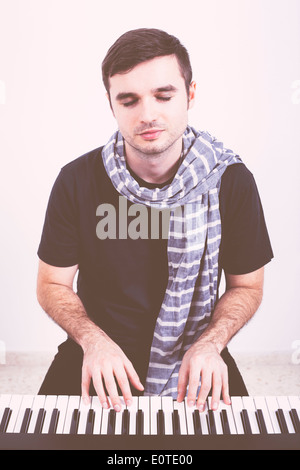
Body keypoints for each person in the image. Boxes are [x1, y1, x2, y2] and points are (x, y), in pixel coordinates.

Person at [37, 28, 273, 414]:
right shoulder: (76, 179)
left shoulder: (230, 180)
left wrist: (211, 344)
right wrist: (92, 341)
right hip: (95, 353)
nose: (147, 115)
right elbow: (51, 283)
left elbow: (247, 286)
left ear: (190, 95)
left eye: (164, 96)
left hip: (198, 356)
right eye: (128, 100)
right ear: (111, 105)